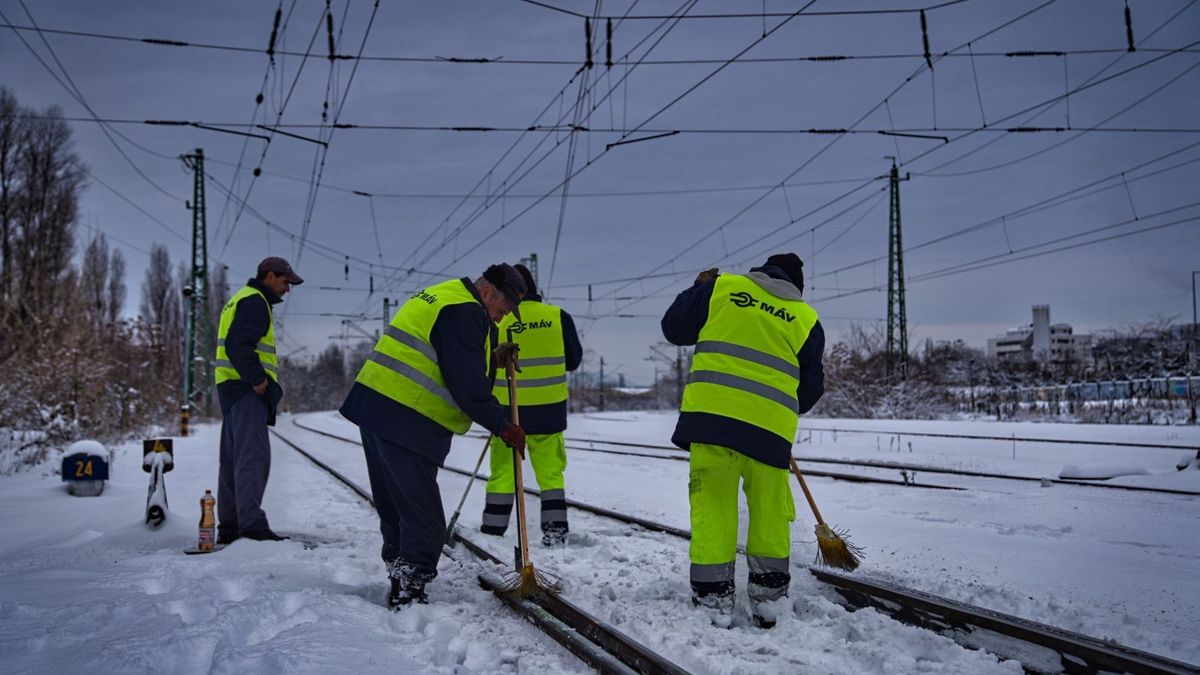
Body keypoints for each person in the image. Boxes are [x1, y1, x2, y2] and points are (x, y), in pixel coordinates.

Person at [340, 263, 528, 610]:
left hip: (378, 407)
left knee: (397, 508)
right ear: (487, 292)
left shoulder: (445, 295)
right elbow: (467, 385)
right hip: (407, 417)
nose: (499, 320)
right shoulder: (467, 312)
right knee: (424, 519)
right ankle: (409, 591)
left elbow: (445, 354)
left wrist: (492, 356)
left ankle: (400, 577)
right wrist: (504, 425)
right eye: (501, 312)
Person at [660, 253, 824, 628]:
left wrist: (696, 290)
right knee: (769, 514)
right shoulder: (806, 319)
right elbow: (811, 390)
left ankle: (713, 600)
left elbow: (674, 329)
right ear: (796, 286)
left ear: (760, 273)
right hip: (769, 433)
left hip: (711, 424)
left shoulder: (722, 288)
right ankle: (768, 604)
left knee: (713, 510)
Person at [480, 264, 583, 546]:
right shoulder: (557, 317)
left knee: (502, 473)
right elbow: (573, 361)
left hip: (506, 414)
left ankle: (493, 531)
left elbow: (483, 363)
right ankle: (555, 533)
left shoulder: (497, 320)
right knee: (551, 474)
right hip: (549, 412)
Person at [214, 256, 304, 544]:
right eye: (285, 281)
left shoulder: (240, 298)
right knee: (252, 458)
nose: (287, 289)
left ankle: (230, 526)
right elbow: (238, 344)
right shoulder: (255, 302)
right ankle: (251, 527)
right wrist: (258, 379)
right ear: (269, 276)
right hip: (246, 390)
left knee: (232, 460)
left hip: (230, 389)